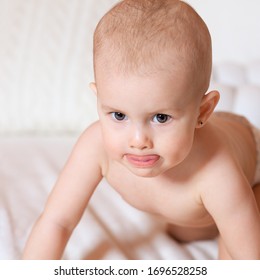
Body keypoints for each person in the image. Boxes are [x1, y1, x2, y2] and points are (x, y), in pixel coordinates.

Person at [22, 0, 260, 260]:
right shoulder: (95, 146)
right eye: (119, 115)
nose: (138, 141)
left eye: (160, 118)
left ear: (202, 113)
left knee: (233, 245)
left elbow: (249, 262)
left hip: (253, 167)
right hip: (196, 204)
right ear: (99, 99)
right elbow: (57, 221)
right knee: (186, 230)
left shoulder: (217, 172)